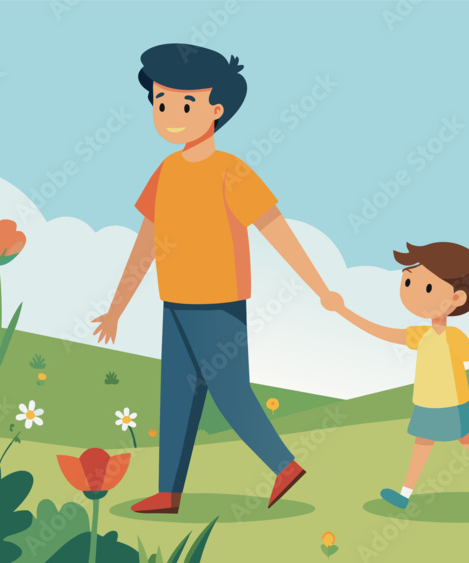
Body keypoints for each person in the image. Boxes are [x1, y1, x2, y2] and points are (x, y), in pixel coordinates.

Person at [92, 44, 341, 514]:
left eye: (184, 104)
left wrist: (320, 287)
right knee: (177, 398)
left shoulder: (231, 171)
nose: (169, 114)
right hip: (175, 302)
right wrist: (117, 307)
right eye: (161, 103)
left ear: (215, 110)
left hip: (219, 303)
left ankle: (284, 465)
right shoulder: (164, 173)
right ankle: (168, 492)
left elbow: (275, 229)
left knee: (229, 391)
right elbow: (145, 244)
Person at [334, 242, 469, 508]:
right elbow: (381, 331)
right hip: (426, 402)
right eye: (408, 282)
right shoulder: (420, 335)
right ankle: (406, 495)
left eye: (427, 288)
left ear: (457, 298)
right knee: (429, 444)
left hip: (452, 404)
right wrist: (343, 311)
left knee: (465, 442)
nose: (411, 294)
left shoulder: (454, 337)